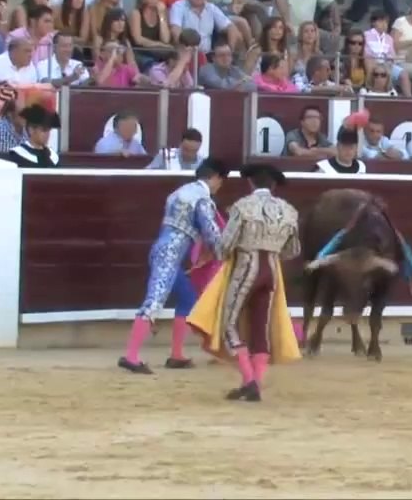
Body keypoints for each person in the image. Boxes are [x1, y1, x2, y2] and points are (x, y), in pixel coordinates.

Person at [188, 163, 301, 402]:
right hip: (270, 272)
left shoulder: (243, 206)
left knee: (228, 325)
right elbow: (292, 250)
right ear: (273, 185)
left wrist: (216, 252)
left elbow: (224, 247)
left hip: (245, 269)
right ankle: (254, 384)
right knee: (261, 329)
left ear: (251, 183)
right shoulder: (288, 210)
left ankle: (250, 380)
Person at [119, 159, 230, 375]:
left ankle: (177, 355)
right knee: (154, 301)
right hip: (170, 255)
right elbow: (211, 233)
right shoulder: (202, 199)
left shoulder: (179, 192)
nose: (219, 187)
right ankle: (131, 357)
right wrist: (224, 253)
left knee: (187, 298)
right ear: (215, 177)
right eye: (220, 181)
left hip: (163, 251)